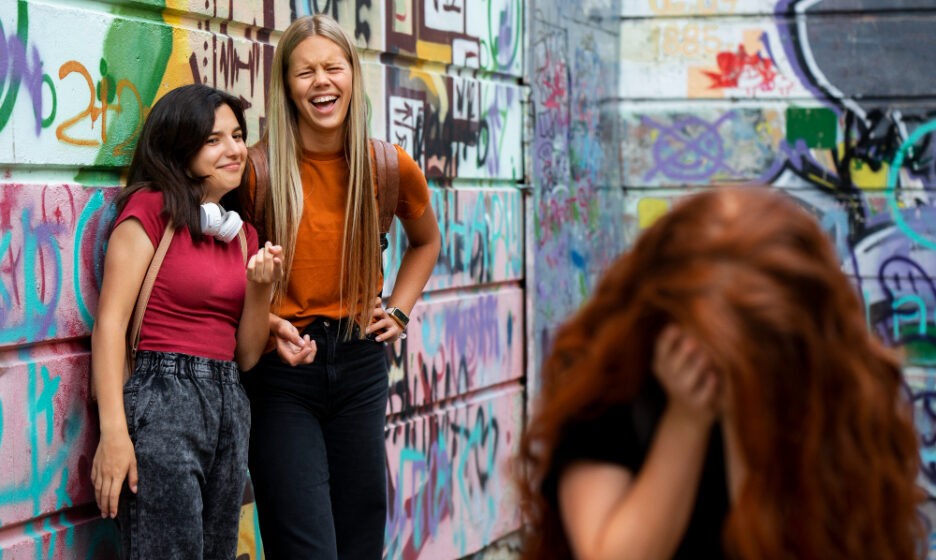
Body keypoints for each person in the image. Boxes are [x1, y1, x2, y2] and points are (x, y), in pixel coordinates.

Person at [517, 186, 926, 560]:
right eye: (709, 346)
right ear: (660, 317)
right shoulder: (608, 385)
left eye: (746, 356)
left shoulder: (839, 393)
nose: (724, 370)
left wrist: (742, 423)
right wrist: (686, 420)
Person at [229, 14, 441, 559]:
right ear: (286, 87)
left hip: (360, 362)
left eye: (333, 68)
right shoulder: (255, 173)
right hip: (282, 372)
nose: (321, 82)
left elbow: (426, 242)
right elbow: (223, 275)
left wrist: (398, 311)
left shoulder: (386, 166)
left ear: (352, 75)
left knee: (359, 539)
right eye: (305, 72)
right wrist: (265, 321)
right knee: (306, 545)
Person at [90, 84, 283, 559]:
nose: (234, 150)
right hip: (163, 400)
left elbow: (247, 355)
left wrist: (260, 289)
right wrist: (114, 432)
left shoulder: (242, 236)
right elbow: (110, 325)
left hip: (229, 403)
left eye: (237, 136)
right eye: (213, 140)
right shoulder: (150, 211)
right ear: (179, 147)